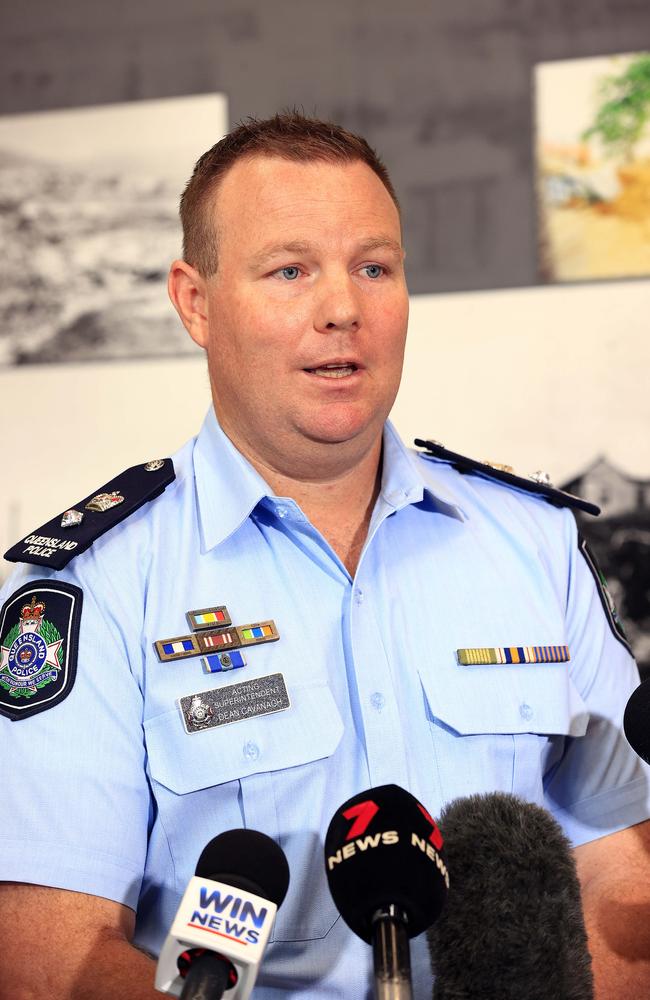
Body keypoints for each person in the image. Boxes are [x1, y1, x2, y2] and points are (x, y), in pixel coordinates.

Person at [0, 112, 649, 999]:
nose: (344, 308)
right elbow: (48, 958)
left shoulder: (531, 541)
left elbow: (620, 873)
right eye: (291, 270)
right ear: (196, 302)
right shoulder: (94, 584)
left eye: (374, 268)